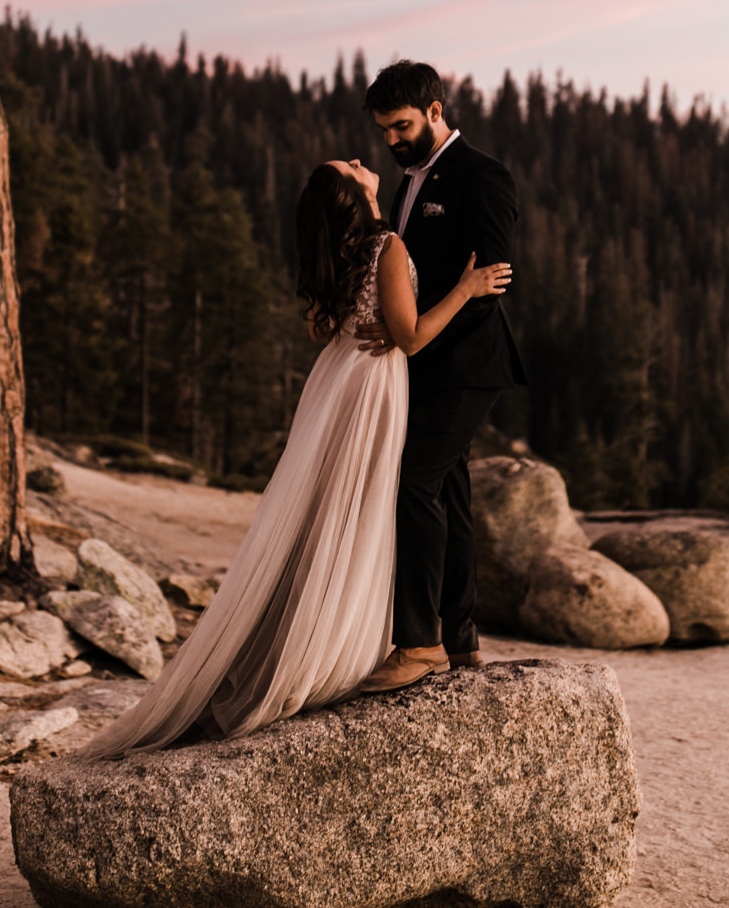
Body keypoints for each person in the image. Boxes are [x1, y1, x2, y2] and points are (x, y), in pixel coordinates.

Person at [79, 158, 511, 758]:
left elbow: (320, 328)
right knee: (360, 506)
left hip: (337, 375)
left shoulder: (347, 249)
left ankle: (323, 633)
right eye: (352, 167)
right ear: (353, 194)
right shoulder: (385, 245)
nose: (364, 162)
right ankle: (353, 643)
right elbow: (409, 338)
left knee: (326, 503)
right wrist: (465, 289)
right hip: (372, 383)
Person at [355, 61, 528, 694]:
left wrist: (417, 335)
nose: (393, 141)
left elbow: (492, 282)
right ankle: (459, 641)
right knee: (449, 494)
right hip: (418, 361)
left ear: (435, 109)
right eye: (384, 131)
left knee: (412, 483)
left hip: (465, 364)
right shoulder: (405, 184)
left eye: (401, 126)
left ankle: (418, 643)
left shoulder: (482, 175)